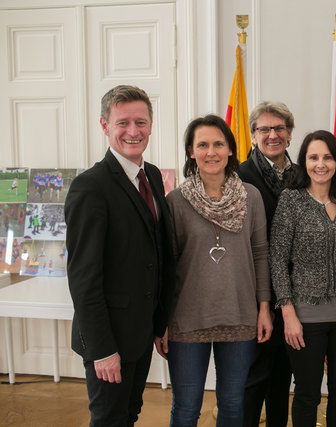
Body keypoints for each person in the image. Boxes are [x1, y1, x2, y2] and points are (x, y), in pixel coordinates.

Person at [65, 85, 176, 425]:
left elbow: (156, 252)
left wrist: (160, 321)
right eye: (122, 122)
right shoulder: (90, 187)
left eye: (140, 122)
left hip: (142, 333)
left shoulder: (153, 176)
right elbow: (84, 278)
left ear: (151, 125)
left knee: (129, 413)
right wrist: (102, 349)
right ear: (104, 126)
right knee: (109, 418)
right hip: (109, 340)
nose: (133, 131)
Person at [156, 114, 272, 426]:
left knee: (233, 406)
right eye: (203, 145)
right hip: (187, 321)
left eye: (219, 144)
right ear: (191, 152)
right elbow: (166, 266)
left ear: (231, 149)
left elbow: (261, 255)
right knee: (186, 408)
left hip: (240, 315)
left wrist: (264, 309)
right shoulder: (176, 201)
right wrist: (162, 321)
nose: (211, 152)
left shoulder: (252, 196)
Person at [270, 130, 336, 426]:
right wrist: (288, 314)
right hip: (304, 318)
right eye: (313, 157)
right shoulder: (290, 201)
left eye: (327, 157)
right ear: (304, 162)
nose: (320, 164)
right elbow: (277, 259)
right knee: (307, 393)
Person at [239, 101, 297, 427]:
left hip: (292, 294)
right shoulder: (239, 175)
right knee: (253, 378)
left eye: (279, 128)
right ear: (253, 135)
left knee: (282, 377)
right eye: (264, 129)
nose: (272, 134)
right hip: (255, 294)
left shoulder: (302, 175)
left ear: (289, 134)